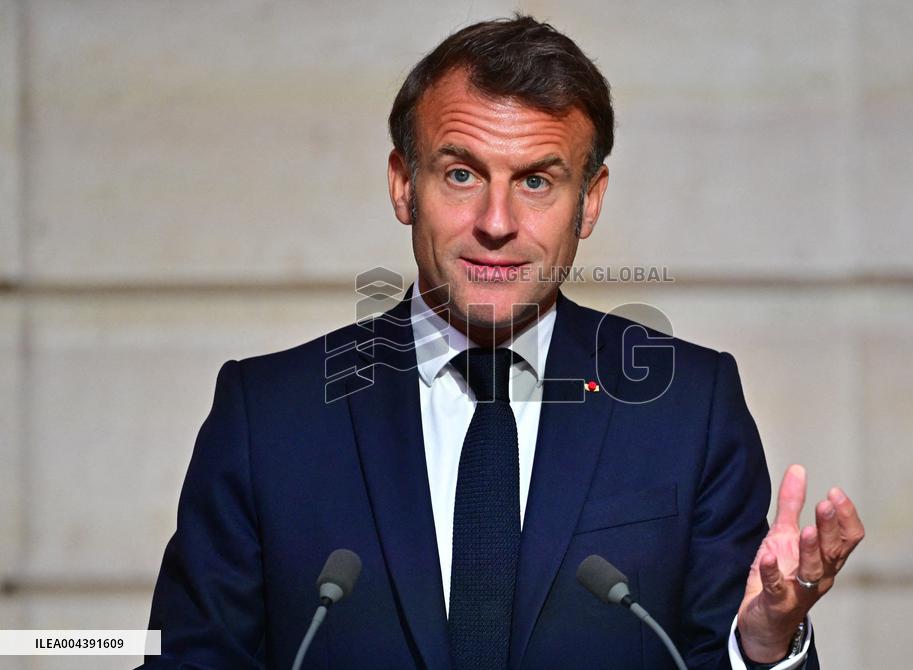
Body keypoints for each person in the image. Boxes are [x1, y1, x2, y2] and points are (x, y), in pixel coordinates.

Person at [142, 14, 863, 670]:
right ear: (403, 185)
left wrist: (765, 647)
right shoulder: (267, 415)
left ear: (591, 201)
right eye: (461, 174)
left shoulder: (688, 408)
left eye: (537, 182)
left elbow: (712, 653)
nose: (496, 221)